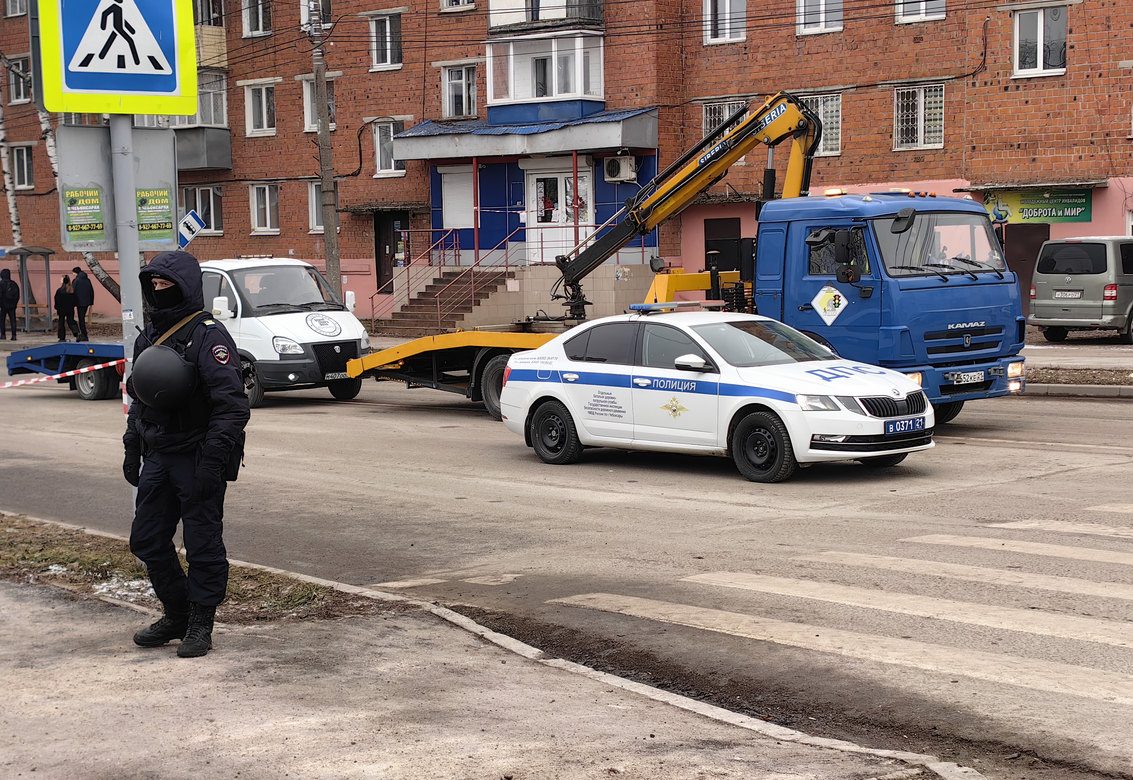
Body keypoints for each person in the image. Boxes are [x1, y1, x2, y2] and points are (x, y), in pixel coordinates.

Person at [123, 251, 250, 658]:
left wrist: (213, 461)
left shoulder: (208, 336)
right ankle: (176, 613)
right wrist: (132, 445)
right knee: (146, 539)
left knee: (202, 544)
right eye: (154, 285)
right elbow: (141, 397)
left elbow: (232, 406)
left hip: (197, 454)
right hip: (159, 453)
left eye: (167, 285)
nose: (159, 291)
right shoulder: (149, 336)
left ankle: (200, 623)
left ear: (185, 288)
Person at [54, 275, 80, 342]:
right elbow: (75, 300)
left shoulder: (59, 291)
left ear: (63, 281)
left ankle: (62, 337)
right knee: (71, 321)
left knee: (61, 323)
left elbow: (57, 300)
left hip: (61, 309)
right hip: (70, 309)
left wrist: (57, 307)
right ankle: (76, 333)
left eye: (61, 279)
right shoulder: (71, 290)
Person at [71, 266, 94, 341]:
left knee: (81, 319)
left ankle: (84, 334)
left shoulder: (76, 281)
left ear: (76, 272)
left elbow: (73, 291)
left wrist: (72, 303)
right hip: (86, 302)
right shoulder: (87, 280)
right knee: (82, 318)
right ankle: (83, 334)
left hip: (79, 302)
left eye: (73, 273)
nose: (73, 274)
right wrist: (91, 302)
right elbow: (91, 291)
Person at [0, 268, 19, 341]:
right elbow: (17, 295)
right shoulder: (14, 284)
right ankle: (14, 336)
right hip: (12, 306)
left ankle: (3, 335)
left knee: (2, 320)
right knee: (13, 320)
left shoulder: (1, 284)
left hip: (3, 306)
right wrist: (14, 304)